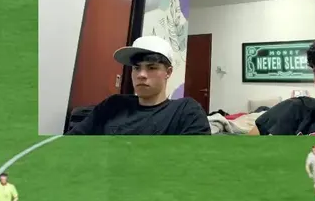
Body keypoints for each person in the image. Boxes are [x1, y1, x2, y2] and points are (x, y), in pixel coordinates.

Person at [66, 35, 210, 135]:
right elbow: (71, 141)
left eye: (151, 67)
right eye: (136, 68)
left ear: (168, 72)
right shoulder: (113, 105)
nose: (141, 74)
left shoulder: (185, 111)